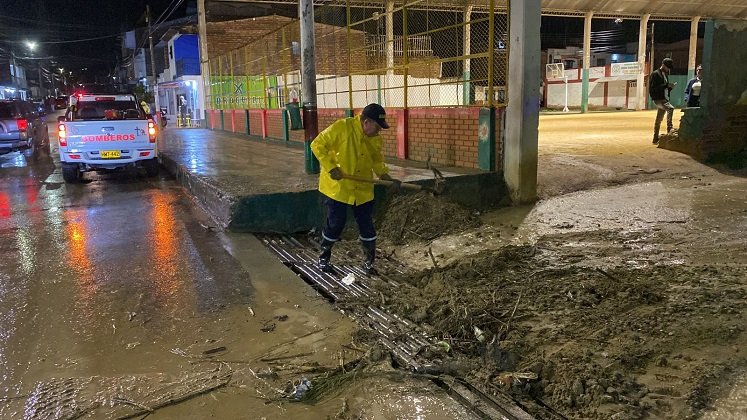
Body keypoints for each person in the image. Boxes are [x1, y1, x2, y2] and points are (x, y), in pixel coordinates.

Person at [311, 103, 400, 276]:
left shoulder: (374, 138)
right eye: (377, 127)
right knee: (336, 223)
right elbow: (317, 144)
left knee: (367, 225)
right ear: (366, 122)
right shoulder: (342, 128)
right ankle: (324, 258)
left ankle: (368, 262)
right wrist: (331, 167)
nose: (379, 131)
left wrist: (385, 176)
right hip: (339, 187)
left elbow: (376, 160)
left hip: (363, 188)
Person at [649, 57, 676, 144]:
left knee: (658, 120)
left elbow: (665, 88)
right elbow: (653, 88)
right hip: (658, 99)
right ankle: (669, 127)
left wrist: (670, 88)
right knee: (670, 108)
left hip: (664, 98)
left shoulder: (665, 75)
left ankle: (655, 138)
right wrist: (666, 85)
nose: (668, 69)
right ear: (663, 65)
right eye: (668, 67)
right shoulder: (655, 74)